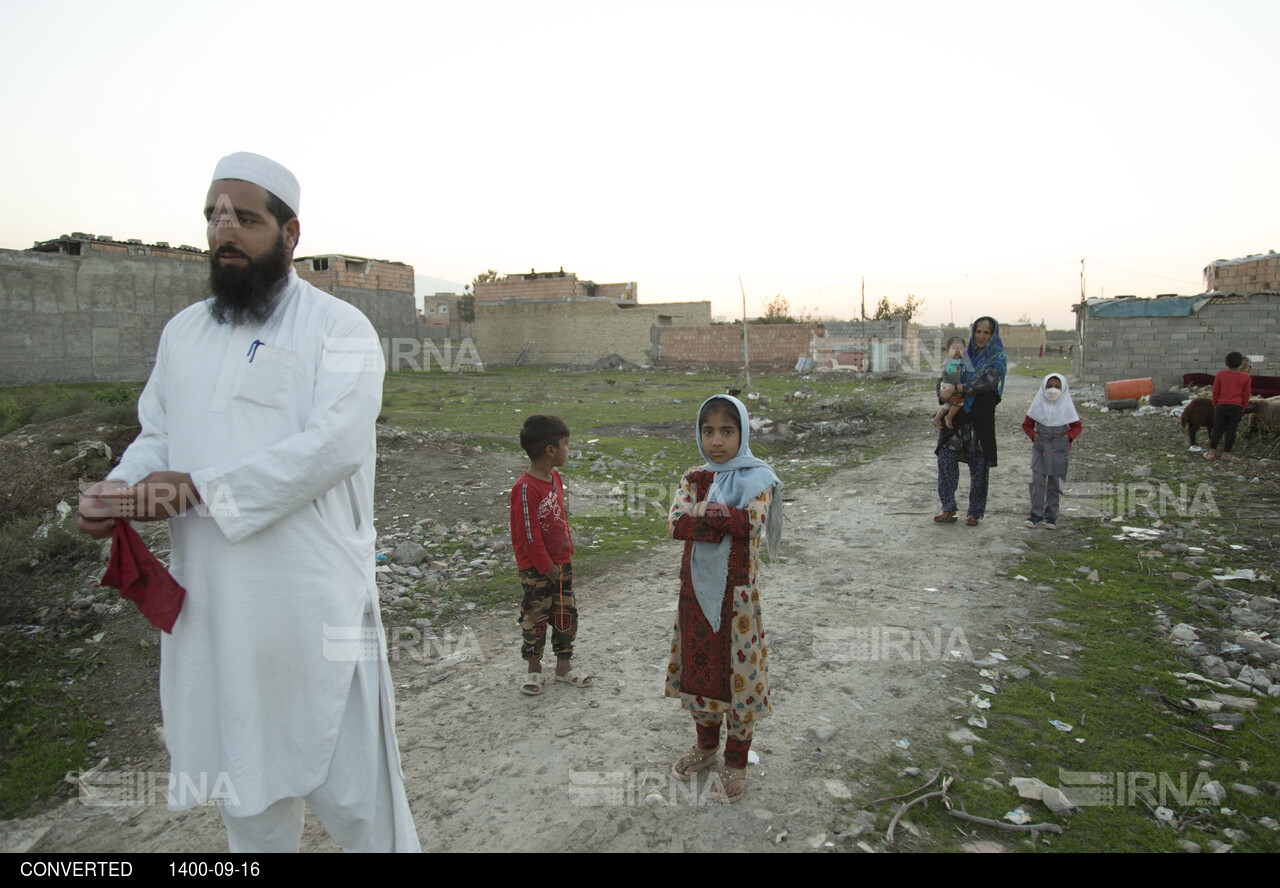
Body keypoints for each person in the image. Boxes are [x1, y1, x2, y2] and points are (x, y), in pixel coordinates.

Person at [77, 152, 420, 853]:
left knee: (362, 807)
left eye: (245, 218)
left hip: (315, 606)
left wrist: (200, 489)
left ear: (290, 234)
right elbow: (159, 436)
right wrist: (117, 491)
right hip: (219, 609)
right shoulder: (184, 333)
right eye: (213, 216)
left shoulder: (341, 330)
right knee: (249, 798)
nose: (223, 231)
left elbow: (334, 447)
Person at [665, 395, 782, 803]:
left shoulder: (759, 478)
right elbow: (676, 525)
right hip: (695, 593)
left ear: (743, 433)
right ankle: (706, 747)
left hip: (739, 600)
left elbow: (750, 523)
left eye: (727, 431)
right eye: (708, 431)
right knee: (700, 675)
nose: (717, 441)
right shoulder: (693, 477)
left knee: (740, 678)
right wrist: (715, 517)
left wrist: (704, 513)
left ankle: (736, 760)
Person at [510, 414, 591, 695]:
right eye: (565, 444)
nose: (568, 450)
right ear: (550, 450)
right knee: (535, 617)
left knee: (565, 613)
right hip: (537, 569)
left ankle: (563, 667)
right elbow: (528, 536)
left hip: (561, 563)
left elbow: (559, 518)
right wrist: (546, 566)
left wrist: (566, 548)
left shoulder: (554, 477)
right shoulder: (524, 489)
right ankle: (534, 670)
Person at [934, 316, 1007, 527]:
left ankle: (974, 512)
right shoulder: (963, 355)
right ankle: (948, 508)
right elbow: (944, 378)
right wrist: (942, 392)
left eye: (986, 333)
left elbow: (987, 382)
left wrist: (957, 389)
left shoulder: (998, 357)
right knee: (945, 459)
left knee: (979, 467)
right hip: (957, 417)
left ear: (993, 336)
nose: (981, 336)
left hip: (980, 418)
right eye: (978, 332)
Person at [1022, 374, 1082, 530]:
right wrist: (1034, 436)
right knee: (1038, 482)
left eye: (1057, 386)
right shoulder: (1038, 404)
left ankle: (1051, 516)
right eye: (1049, 386)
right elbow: (1027, 425)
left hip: (1059, 449)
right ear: (1043, 387)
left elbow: (1077, 427)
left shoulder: (1067, 406)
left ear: (1063, 388)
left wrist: (1067, 437)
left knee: (1056, 483)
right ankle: (1035, 514)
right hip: (1041, 449)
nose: (1053, 389)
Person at [1205, 351, 1252, 461]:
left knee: (1217, 429)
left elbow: (1216, 391)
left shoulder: (1221, 374)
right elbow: (1246, 394)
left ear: (1226, 363)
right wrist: (1244, 407)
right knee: (1232, 430)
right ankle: (1226, 454)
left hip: (1222, 405)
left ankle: (1212, 453)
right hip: (1237, 407)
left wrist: (1215, 403)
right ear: (1240, 363)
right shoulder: (1245, 377)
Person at [931, 336, 968, 430]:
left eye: (960, 348)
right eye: (954, 348)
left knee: (948, 405)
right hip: (948, 386)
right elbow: (954, 378)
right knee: (959, 402)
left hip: (948, 385)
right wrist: (960, 387)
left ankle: (936, 419)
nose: (957, 351)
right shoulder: (951, 363)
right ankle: (949, 417)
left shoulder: (956, 361)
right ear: (947, 350)